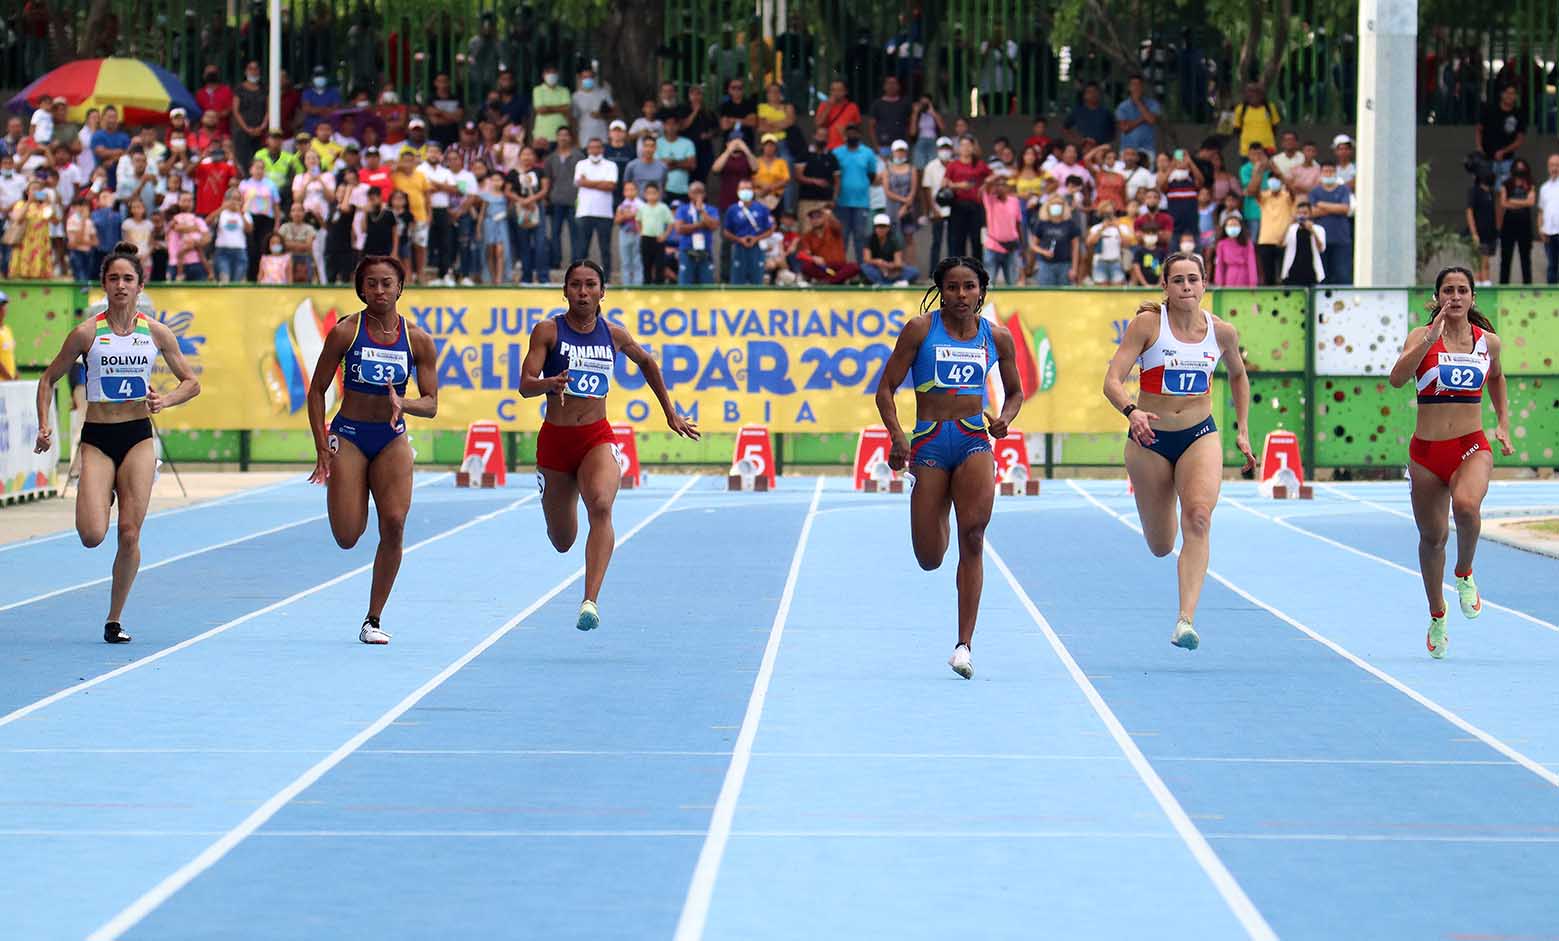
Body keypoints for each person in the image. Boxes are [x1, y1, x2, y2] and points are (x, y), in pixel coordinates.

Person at [32, 243, 201, 643]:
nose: (121, 285)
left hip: (138, 437)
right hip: (98, 438)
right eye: (114, 279)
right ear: (104, 285)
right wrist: (44, 426)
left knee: (129, 533)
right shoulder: (87, 333)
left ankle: (114, 619)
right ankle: (100, 490)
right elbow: (47, 380)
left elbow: (191, 383)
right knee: (92, 535)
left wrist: (167, 399)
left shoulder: (156, 333)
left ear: (140, 285)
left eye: (128, 279)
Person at [519, 260, 699, 632]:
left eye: (590, 285)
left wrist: (670, 412)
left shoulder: (614, 334)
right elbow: (524, 383)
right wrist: (549, 382)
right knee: (562, 540)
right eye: (575, 286)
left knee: (601, 505)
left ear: (603, 291)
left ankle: (590, 601)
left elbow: (648, 362)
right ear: (565, 291)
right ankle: (552, 501)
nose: (582, 292)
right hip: (555, 442)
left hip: (595, 438)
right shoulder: (548, 332)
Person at [874, 256, 1023, 678]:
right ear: (941, 290)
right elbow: (885, 390)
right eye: (954, 287)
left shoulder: (997, 337)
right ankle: (933, 503)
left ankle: (963, 645)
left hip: (975, 441)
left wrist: (1005, 420)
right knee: (929, 557)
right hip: (929, 445)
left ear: (982, 290)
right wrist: (898, 438)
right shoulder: (921, 330)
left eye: (970, 287)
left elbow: (1014, 393)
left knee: (973, 535)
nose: (962, 295)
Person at [1101, 251, 1255, 650]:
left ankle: (1185, 619)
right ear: (1166, 287)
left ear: (1205, 285)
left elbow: (1239, 376)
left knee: (1200, 518)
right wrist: (1131, 411)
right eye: (1178, 280)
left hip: (1198, 436)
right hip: (1149, 441)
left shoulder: (1222, 333)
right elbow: (1113, 381)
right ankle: (1159, 520)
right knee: (1161, 545)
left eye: (1193, 279)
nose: (1187, 287)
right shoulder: (1148, 326)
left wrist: (1243, 431)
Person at [306, 256, 439, 645]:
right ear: (361, 289)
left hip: (391, 438)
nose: (380, 291)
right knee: (348, 536)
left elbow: (430, 404)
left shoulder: (417, 340)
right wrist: (321, 446)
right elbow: (316, 391)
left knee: (395, 523)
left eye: (387, 284)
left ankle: (373, 619)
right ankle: (347, 493)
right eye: (372, 284)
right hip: (349, 435)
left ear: (401, 288)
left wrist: (405, 404)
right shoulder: (347, 331)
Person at [1386, 267, 1513, 659]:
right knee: (1433, 538)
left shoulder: (1487, 343)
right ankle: (1437, 615)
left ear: (1473, 298)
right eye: (1447, 291)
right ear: (1438, 297)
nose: (1455, 297)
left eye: (1462, 291)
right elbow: (1396, 378)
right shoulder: (1421, 338)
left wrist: (1503, 424)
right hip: (1426, 453)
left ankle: (1464, 572)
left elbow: (1497, 379)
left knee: (1468, 506)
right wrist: (1427, 338)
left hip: (1470, 445)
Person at [1496, 157, 1536, 285]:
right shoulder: (1506, 183)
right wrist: (1522, 203)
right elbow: (1503, 203)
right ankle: (1503, 285)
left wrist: (1512, 201)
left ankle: (1527, 285)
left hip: (1525, 224)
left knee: (1525, 257)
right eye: (1517, 168)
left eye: (1522, 169)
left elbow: (1530, 202)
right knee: (1506, 257)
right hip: (1509, 224)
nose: (1520, 171)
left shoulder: (1530, 183)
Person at [862, 212, 917, 284]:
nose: (881, 229)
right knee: (865, 268)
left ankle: (884, 283)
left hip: (892, 269)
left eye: (884, 226)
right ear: (875, 228)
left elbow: (898, 263)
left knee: (913, 271)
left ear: (888, 228)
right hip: (876, 269)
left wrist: (887, 265)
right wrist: (877, 262)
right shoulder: (869, 239)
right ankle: (890, 283)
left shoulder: (894, 240)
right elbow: (866, 259)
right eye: (878, 226)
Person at [1280, 199, 1325, 286]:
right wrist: (1289, 223)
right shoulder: (1291, 229)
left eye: (1305, 213)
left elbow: (1321, 249)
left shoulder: (1318, 229)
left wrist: (1312, 231)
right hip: (1293, 271)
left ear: (1310, 214)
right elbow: (1281, 243)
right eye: (1299, 213)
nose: (1302, 216)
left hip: (1311, 272)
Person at [1465, 170, 1497, 286]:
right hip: (1479, 232)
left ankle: (1486, 281)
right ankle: (1479, 283)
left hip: (1489, 232)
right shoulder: (1474, 191)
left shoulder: (1491, 193)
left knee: (1487, 260)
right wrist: (1474, 233)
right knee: (1480, 260)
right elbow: (1469, 212)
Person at [1212, 213, 1258, 286]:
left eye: (1235, 225)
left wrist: (1253, 282)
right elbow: (1219, 265)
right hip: (1229, 276)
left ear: (1241, 227)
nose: (1233, 227)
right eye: (1230, 225)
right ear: (1225, 228)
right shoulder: (1221, 244)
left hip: (1244, 276)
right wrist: (1219, 282)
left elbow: (1252, 264)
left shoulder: (1247, 243)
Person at [1539, 153, 1559, 285]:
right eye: (1552, 165)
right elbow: (1541, 211)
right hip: (1548, 233)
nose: (1555, 168)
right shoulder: (1544, 188)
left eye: (1557, 165)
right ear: (1548, 167)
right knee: (1552, 266)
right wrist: (1540, 229)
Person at [0, 290, 15, 380]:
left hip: (8, 383)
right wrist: (9, 378)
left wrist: (16, 375)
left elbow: (10, 355)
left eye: (4, 305)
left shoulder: (7, 330)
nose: (4, 308)